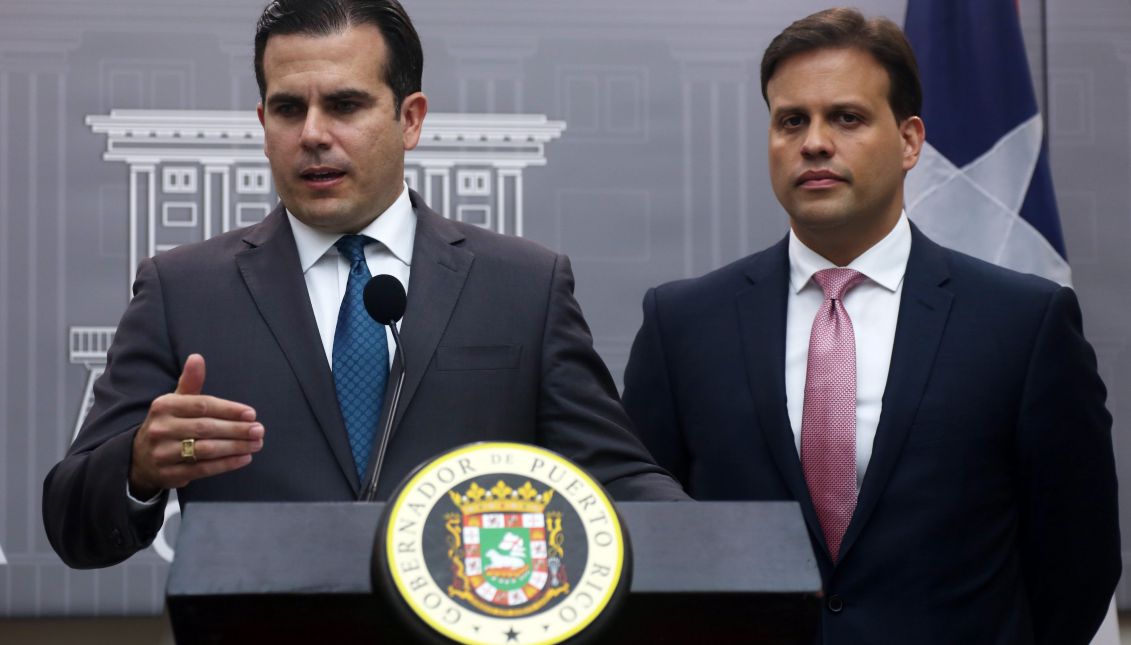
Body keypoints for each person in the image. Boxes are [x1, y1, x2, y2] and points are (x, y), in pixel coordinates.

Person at [44, 0, 684, 570]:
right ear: (263, 122)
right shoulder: (181, 289)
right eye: (290, 109)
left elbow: (617, 477)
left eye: (345, 105)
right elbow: (73, 521)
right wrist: (136, 465)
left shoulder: (523, 285)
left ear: (410, 119)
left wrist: (730, 549)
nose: (314, 134)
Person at [621, 8, 1119, 644]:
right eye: (791, 120)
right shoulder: (683, 323)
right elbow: (647, 536)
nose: (814, 142)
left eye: (847, 118)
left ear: (910, 141)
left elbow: (1078, 558)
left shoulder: (1023, 324)